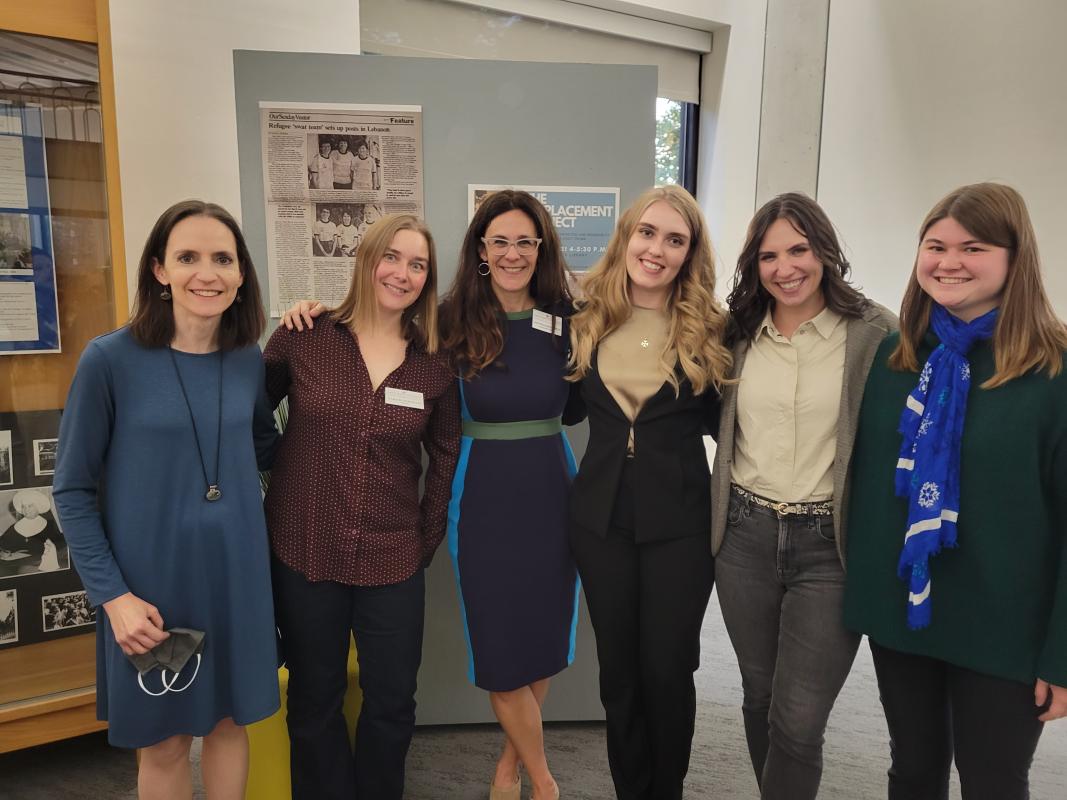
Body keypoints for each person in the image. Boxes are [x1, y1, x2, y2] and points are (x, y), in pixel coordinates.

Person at [282, 190, 584, 800]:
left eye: (526, 240)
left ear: (543, 247)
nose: (513, 252)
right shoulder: (438, 323)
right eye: (500, 240)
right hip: (449, 506)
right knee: (326, 693)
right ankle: (543, 782)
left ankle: (508, 765)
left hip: (529, 499)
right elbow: (256, 416)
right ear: (479, 249)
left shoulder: (556, 321)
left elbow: (569, 405)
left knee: (524, 645)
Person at [844, 182, 1067, 799]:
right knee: (912, 772)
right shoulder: (897, 356)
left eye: (973, 247)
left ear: (1014, 258)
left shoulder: (1054, 370)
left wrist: (1062, 656)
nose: (949, 262)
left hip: (1007, 622)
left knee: (994, 780)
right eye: (935, 245)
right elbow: (869, 489)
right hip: (908, 613)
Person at [52, 200, 280, 799]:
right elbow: (71, 490)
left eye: (222, 259)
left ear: (240, 275)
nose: (207, 273)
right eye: (188, 257)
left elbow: (266, 448)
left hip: (237, 580)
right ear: (159, 270)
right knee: (165, 742)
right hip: (150, 591)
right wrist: (114, 599)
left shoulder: (247, 360)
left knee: (233, 723)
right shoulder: (110, 361)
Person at [264, 213, 460, 800]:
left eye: (418, 264)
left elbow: (446, 454)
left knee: (393, 700)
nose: (402, 273)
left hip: (392, 557)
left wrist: (425, 537)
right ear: (367, 260)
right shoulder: (304, 337)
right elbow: (243, 419)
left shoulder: (434, 363)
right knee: (314, 696)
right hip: (305, 547)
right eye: (392, 257)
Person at [710, 193, 897, 799]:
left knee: (798, 718)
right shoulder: (734, 333)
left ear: (825, 250)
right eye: (769, 256)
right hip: (743, 536)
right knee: (760, 695)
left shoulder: (874, 333)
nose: (785, 267)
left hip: (829, 547)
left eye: (799, 249)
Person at [566, 184, 732, 800]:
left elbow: (735, 420)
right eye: (647, 232)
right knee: (619, 674)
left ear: (689, 254)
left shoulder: (712, 328)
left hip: (682, 523)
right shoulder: (583, 317)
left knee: (668, 669)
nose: (656, 250)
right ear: (626, 236)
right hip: (600, 521)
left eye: (674, 240)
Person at [0, 489, 68, 577]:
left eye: (30, 506)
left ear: (38, 507)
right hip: (21, 565)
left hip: (46, 562)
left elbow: (61, 544)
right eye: (23, 506)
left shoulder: (50, 525)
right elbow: (4, 545)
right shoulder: (15, 528)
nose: (26, 510)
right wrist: (4, 552)